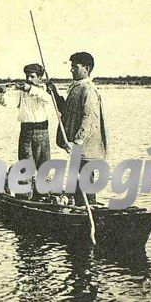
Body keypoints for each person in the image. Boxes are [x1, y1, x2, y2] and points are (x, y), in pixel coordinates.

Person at [47, 52, 107, 205]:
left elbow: (90, 120)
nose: (72, 70)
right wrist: (53, 92)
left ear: (86, 68)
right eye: (71, 67)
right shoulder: (76, 88)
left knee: (85, 182)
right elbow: (65, 110)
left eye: (75, 67)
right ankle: (80, 211)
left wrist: (78, 141)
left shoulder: (88, 90)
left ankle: (90, 212)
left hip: (85, 148)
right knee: (76, 183)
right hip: (77, 148)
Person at [0, 63, 52, 170]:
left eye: (32, 76)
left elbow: (47, 99)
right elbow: (8, 103)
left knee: (44, 167)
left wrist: (30, 89)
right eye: (27, 76)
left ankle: (44, 186)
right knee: (25, 166)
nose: (29, 79)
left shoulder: (44, 90)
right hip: (25, 131)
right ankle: (26, 185)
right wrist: (3, 94)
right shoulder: (22, 92)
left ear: (40, 78)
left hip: (41, 132)